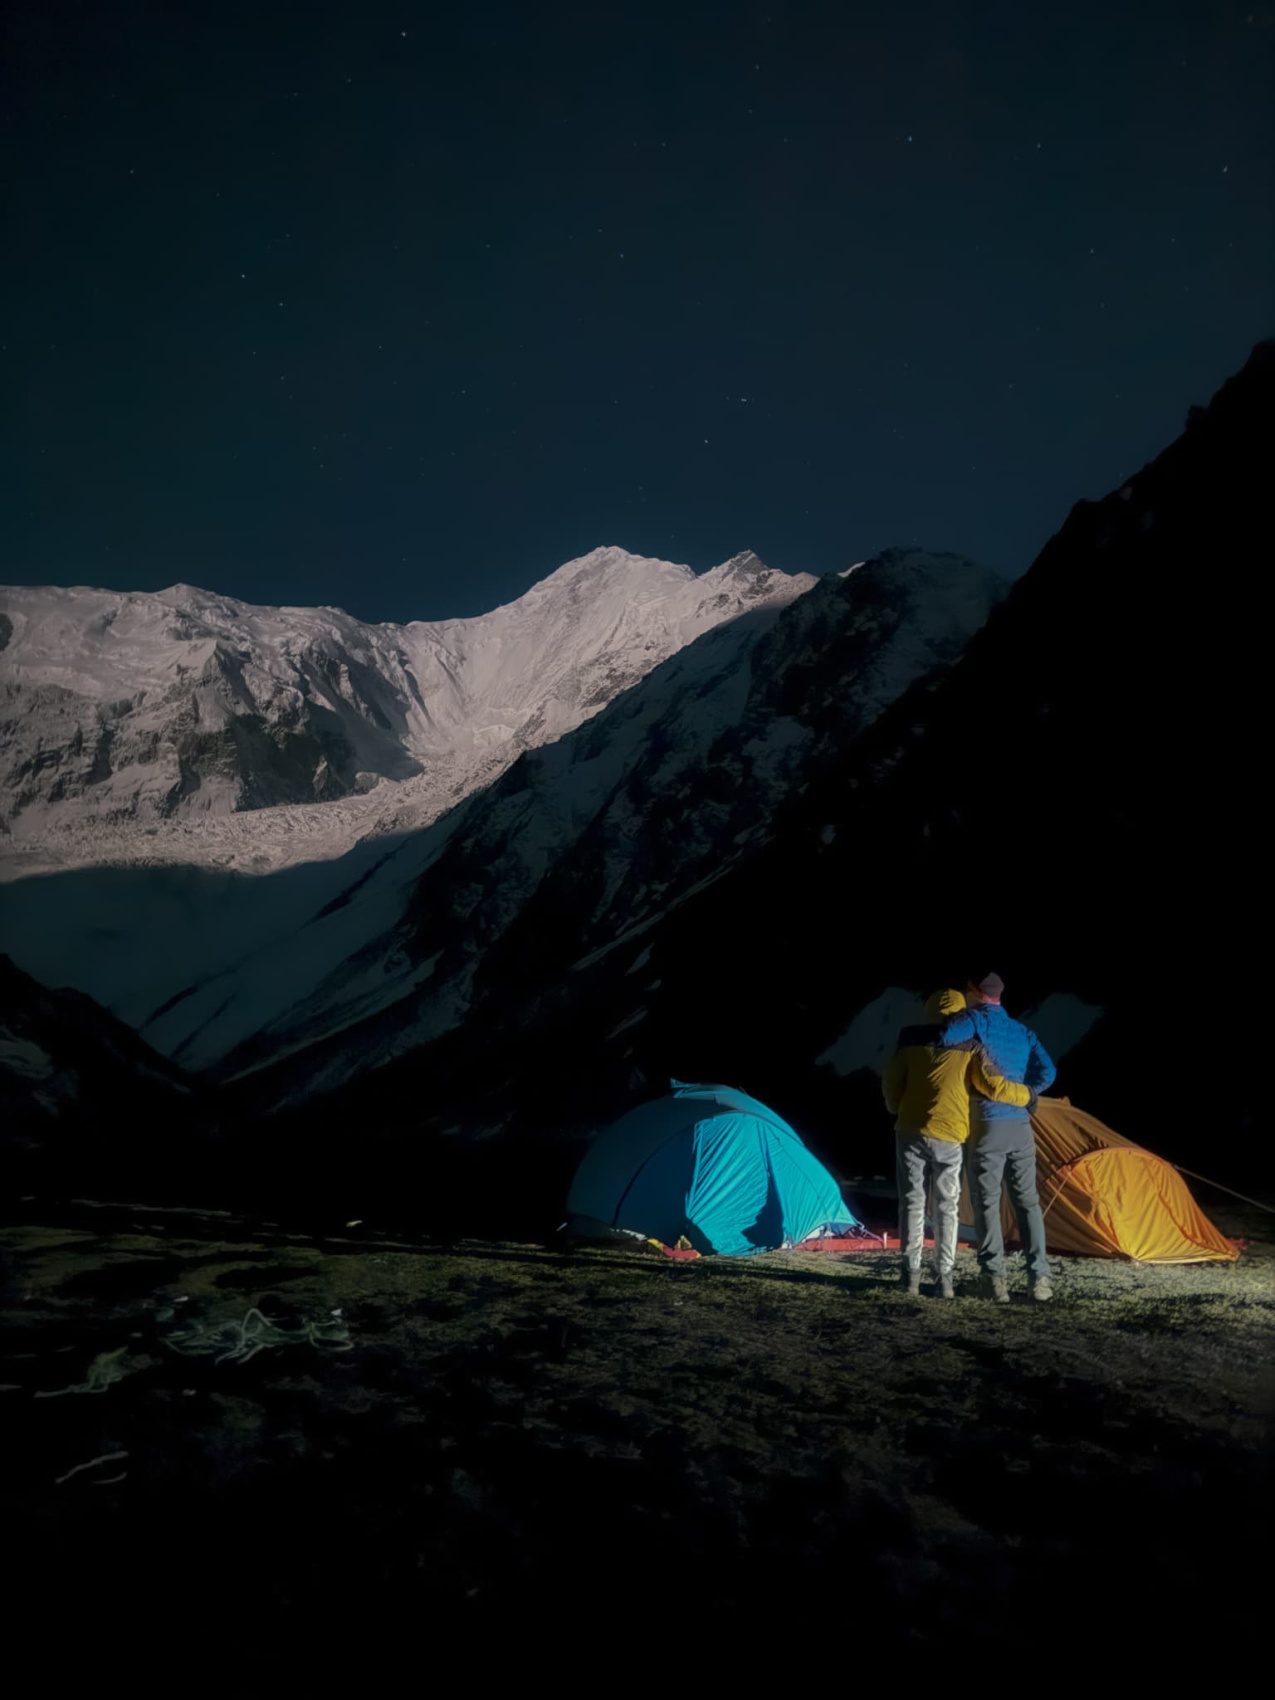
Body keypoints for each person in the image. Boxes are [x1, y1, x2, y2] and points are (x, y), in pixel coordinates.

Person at [883, 988, 1035, 1299]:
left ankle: (910, 1276)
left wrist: (896, 1107)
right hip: (951, 1135)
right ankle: (945, 1280)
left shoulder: (908, 1039)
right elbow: (992, 1086)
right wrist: (1027, 1096)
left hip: (910, 1130)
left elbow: (890, 1081)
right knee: (947, 1207)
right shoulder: (971, 1044)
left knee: (911, 1202)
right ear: (961, 1012)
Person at [938, 971, 1056, 1302]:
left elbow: (946, 1036)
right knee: (1028, 1201)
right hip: (1021, 1126)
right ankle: (1040, 1280)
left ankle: (994, 1281)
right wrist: (1026, 1091)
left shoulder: (974, 1019)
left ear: (975, 992)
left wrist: (971, 1036)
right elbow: (1049, 1070)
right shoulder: (1022, 1031)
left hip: (987, 1121)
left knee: (986, 1202)